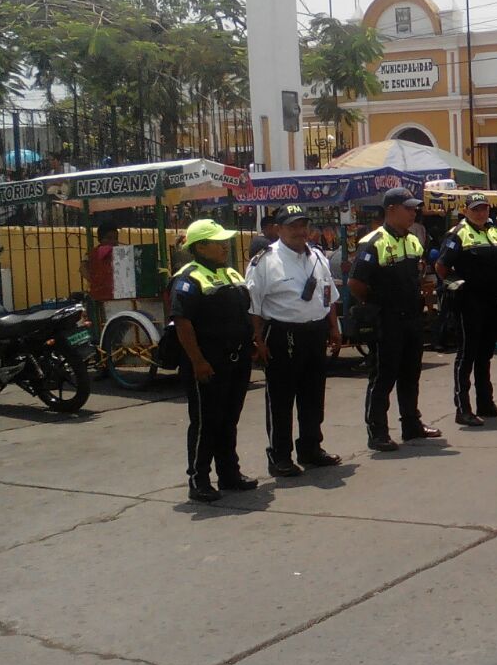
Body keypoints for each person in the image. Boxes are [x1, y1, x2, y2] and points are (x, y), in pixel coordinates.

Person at [246, 205, 343, 476]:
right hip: (281, 335)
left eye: (303, 225)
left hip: (315, 333)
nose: (300, 232)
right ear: (278, 229)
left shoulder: (317, 256)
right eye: (292, 226)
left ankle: (311, 448)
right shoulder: (265, 260)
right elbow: (253, 305)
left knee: (313, 396)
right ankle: (279, 455)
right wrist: (258, 340)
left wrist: (333, 327)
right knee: (281, 399)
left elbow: (328, 294)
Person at [168, 219, 257, 503]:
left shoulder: (230, 272)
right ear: (200, 246)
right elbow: (182, 323)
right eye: (218, 242)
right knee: (206, 423)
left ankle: (229, 473)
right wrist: (198, 361)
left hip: (237, 359)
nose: (224, 246)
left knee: (229, 420)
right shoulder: (188, 278)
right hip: (208, 362)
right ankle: (199, 479)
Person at [349, 188, 442, 450]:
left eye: (414, 208)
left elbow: (417, 274)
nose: (413, 213)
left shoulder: (413, 240)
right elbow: (356, 283)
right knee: (383, 376)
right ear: (391, 210)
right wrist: (379, 303)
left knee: (410, 374)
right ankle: (377, 432)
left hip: (411, 317)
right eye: (408, 208)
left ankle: (411, 424)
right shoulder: (373, 241)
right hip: (386, 320)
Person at [436, 192, 497, 425]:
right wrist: (459, 287)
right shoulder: (458, 234)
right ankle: (463, 408)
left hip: (492, 302)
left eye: (484, 208)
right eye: (476, 209)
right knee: (467, 355)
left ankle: (485, 404)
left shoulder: (492, 231)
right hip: (469, 304)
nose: (481, 212)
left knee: (485, 355)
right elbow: (441, 267)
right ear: (466, 210)